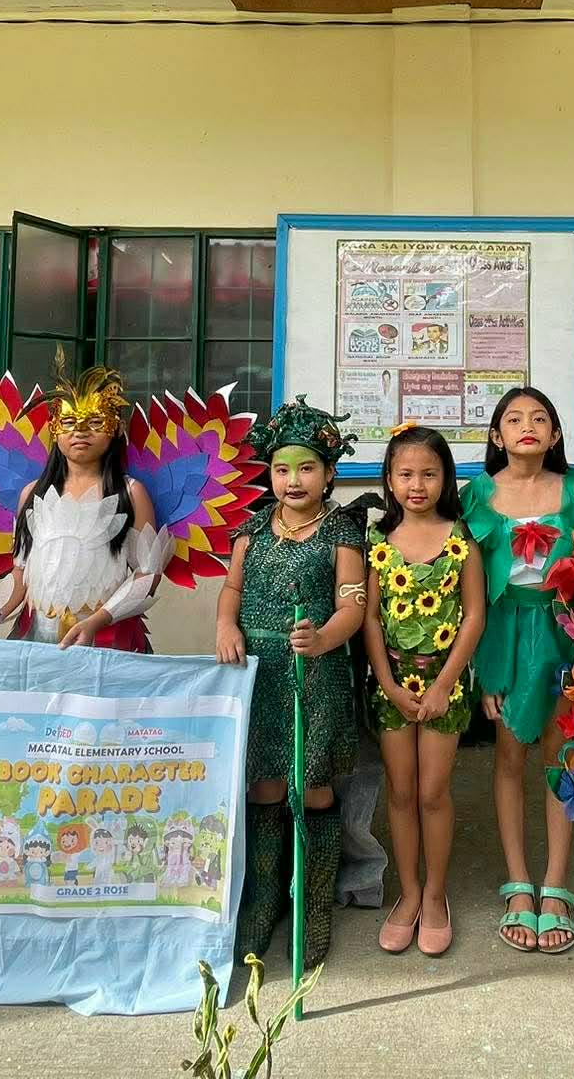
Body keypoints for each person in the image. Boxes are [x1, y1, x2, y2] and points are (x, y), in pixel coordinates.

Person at [214, 397, 367, 969]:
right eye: (282, 469)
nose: (293, 480)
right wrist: (226, 624)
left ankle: (314, 901)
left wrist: (326, 638)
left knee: (313, 785)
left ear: (329, 473)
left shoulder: (342, 531)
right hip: (258, 675)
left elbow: (353, 603)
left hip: (316, 674)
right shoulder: (252, 528)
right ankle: (262, 901)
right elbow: (231, 589)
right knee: (266, 786)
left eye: (306, 468)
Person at [460, 386, 574, 954]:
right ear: (497, 436)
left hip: (562, 631)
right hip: (502, 631)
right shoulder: (476, 493)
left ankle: (557, 883)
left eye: (541, 418)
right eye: (514, 419)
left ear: (556, 436)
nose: (528, 426)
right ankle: (518, 884)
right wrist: (481, 666)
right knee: (510, 756)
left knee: (563, 757)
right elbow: (469, 583)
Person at [363, 424, 484, 957]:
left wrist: (443, 685)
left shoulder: (461, 540)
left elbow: (475, 616)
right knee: (402, 792)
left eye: (429, 474)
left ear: (446, 479)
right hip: (391, 687)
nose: (417, 485)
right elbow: (367, 618)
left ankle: (436, 894)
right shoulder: (375, 543)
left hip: (444, 687)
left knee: (433, 793)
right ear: (389, 479)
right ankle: (407, 894)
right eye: (406, 474)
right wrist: (387, 682)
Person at [0, 365, 169, 648]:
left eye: (94, 421)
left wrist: (99, 620)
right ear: (55, 428)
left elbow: (148, 573)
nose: (80, 431)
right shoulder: (32, 494)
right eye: (69, 422)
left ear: (115, 428)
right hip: (37, 635)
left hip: (107, 636)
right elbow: (21, 573)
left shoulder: (131, 494)